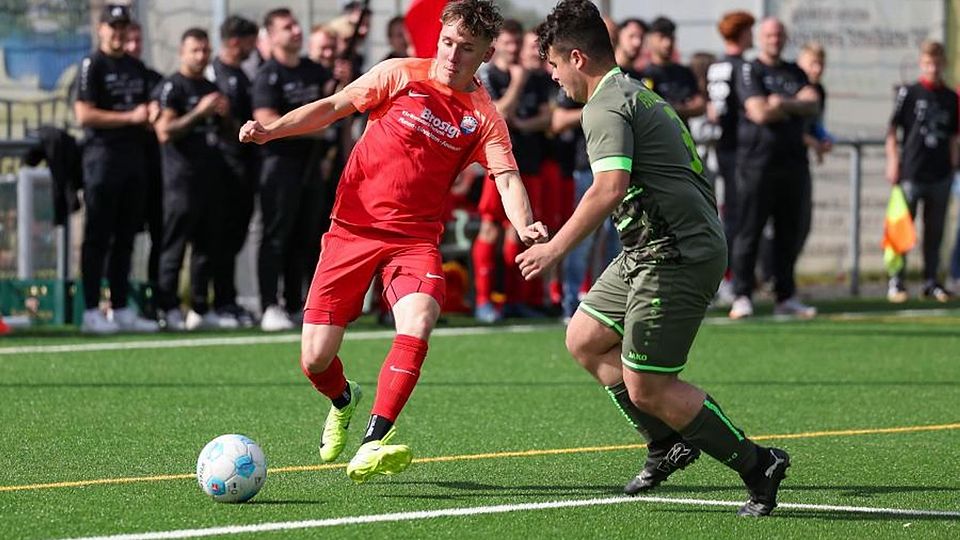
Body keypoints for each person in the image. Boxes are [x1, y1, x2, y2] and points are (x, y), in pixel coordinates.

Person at [239, 0, 546, 482]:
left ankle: (373, 440)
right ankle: (343, 397)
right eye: (447, 42)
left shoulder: (484, 116)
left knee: (420, 317)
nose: (452, 55)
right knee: (315, 357)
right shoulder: (400, 73)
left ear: (486, 53)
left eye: (466, 49)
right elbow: (334, 107)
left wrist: (525, 224)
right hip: (351, 229)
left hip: (415, 239)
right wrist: (272, 130)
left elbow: (507, 179)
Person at [520, 0, 790, 516]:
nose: (553, 78)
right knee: (586, 338)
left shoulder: (604, 104)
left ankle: (759, 465)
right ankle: (667, 444)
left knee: (647, 384)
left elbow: (608, 189)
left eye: (553, 65)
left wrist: (554, 248)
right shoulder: (631, 92)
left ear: (576, 58)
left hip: (676, 253)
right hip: (650, 248)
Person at [727, 17, 820, 320]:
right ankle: (742, 294)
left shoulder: (795, 71)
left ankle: (786, 295)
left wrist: (781, 102)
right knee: (749, 231)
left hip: (793, 163)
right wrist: (793, 105)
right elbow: (759, 112)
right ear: (760, 37)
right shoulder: (749, 69)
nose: (774, 39)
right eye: (769, 34)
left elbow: (814, 103)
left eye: (779, 34)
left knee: (788, 233)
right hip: (757, 164)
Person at [74, 4, 159, 334]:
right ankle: (92, 310)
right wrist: (130, 118)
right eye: (114, 27)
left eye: (124, 27)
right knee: (97, 237)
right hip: (102, 159)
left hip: (133, 160)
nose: (119, 33)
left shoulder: (136, 66)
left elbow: (147, 104)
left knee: (126, 238)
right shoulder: (91, 64)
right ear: (101, 29)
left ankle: (121, 307)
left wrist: (150, 110)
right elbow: (84, 114)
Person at [252, 8, 333, 331]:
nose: (296, 31)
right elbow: (268, 121)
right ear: (271, 36)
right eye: (287, 27)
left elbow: (332, 109)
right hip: (279, 166)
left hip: (312, 167)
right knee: (276, 235)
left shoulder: (314, 71)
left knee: (307, 236)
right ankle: (269, 305)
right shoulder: (267, 74)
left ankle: (296, 301)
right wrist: (316, 128)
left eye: (296, 25)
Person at [473, 19, 552, 322]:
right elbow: (499, 113)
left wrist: (524, 123)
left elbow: (547, 118)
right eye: (508, 42)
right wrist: (517, 83)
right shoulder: (488, 76)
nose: (514, 47)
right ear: (496, 44)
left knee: (519, 233)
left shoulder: (533, 77)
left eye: (517, 42)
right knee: (490, 227)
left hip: (529, 161)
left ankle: (513, 300)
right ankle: (483, 300)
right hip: (500, 165)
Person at [154, 28, 229, 330]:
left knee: (207, 246)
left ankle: (200, 306)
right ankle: (167, 307)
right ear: (182, 53)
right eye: (195, 50)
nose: (201, 56)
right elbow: (164, 131)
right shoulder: (173, 86)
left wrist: (225, 116)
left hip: (209, 176)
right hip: (180, 179)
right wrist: (199, 113)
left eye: (205, 51)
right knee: (175, 244)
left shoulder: (211, 87)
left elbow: (224, 131)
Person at [885, 40, 958, 303]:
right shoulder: (910, 93)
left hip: (940, 174)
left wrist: (952, 166)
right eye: (928, 63)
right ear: (921, 64)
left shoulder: (950, 98)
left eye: (937, 63)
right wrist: (893, 161)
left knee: (935, 230)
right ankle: (897, 280)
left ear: (944, 64)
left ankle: (931, 281)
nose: (933, 68)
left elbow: (953, 136)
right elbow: (892, 130)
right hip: (912, 172)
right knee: (904, 229)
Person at [209, 15, 260, 327]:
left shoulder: (242, 74)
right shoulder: (214, 74)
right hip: (221, 169)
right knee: (219, 237)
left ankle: (228, 300)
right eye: (250, 41)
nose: (254, 48)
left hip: (244, 168)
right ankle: (216, 302)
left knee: (235, 237)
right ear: (234, 42)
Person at [706, 11, 755, 303]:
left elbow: (714, 110)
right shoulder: (740, 67)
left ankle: (728, 279)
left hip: (722, 148)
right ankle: (729, 279)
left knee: (730, 215)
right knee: (738, 217)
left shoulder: (716, 66)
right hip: (739, 150)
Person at [638, 17, 705, 126]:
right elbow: (649, 110)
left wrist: (669, 108)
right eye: (662, 37)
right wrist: (684, 107)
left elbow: (700, 106)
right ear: (650, 39)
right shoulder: (645, 74)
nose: (667, 43)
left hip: (684, 137)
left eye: (671, 38)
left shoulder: (684, 72)